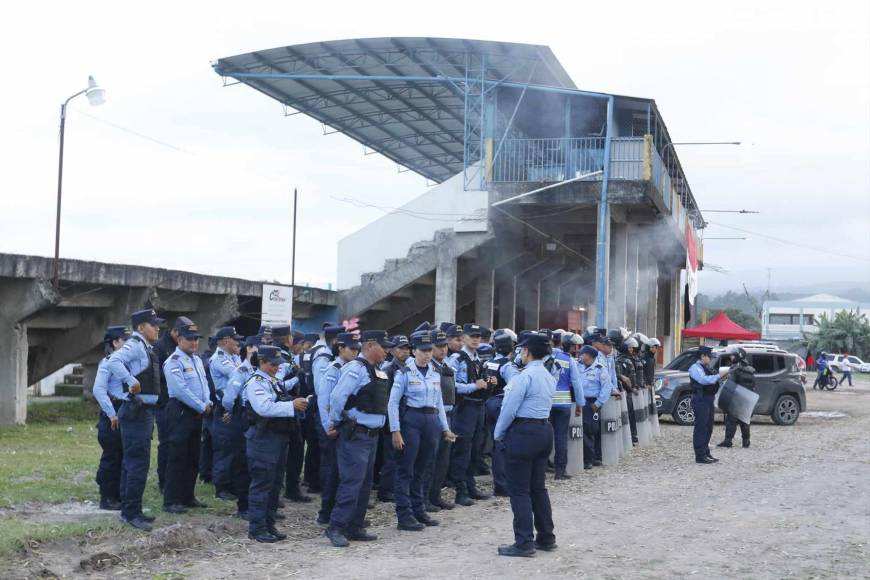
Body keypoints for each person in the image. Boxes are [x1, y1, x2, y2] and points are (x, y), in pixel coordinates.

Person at [325, 330, 395, 548]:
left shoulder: (376, 370)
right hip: (356, 434)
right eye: (384, 347)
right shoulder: (355, 369)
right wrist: (336, 422)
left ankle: (355, 526)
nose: (387, 351)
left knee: (364, 484)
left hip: (371, 436)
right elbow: (337, 397)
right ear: (371, 345)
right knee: (352, 482)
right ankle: (336, 527)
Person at [493, 332, 557, 557]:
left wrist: (498, 434)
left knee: (519, 490)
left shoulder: (523, 377)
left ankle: (524, 542)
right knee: (538, 488)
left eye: (522, 350)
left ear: (527, 352)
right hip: (544, 430)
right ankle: (546, 537)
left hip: (523, 433)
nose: (520, 353)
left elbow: (509, 409)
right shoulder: (549, 376)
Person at [389, 332, 456, 531]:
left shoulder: (435, 372)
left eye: (429, 350)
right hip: (412, 420)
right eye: (423, 350)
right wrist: (395, 430)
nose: (427, 354)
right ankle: (404, 514)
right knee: (406, 469)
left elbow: (440, 404)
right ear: (414, 351)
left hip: (431, 420)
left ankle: (419, 509)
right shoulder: (404, 372)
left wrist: (445, 428)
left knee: (423, 468)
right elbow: (392, 403)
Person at [106, 308, 165, 531]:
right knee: (137, 464)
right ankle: (131, 513)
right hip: (136, 412)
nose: (158, 327)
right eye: (153, 324)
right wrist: (130, 380)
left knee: (134, 463)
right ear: (141, 327)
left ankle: (132, 510)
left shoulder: (145, 347)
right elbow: (113, 362)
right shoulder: (135, 345)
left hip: (142, 412)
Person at [243, 345, 308, 542]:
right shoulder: (256, 383)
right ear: (261, 362)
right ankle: (257, 528)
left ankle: (269, 524)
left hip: (277, 438)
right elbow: (264, 407)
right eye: (272, 364)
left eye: (278, 365)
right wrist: (292, 405)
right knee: (262, 485)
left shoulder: (273, 380)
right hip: (263, 439)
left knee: (275, 484)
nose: (276, 368)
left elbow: (281, 391)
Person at [162, 321, 212, 513]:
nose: (194, 343)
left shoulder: (196, 360)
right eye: (189, 339)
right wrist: (201, 406)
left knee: (193, 455)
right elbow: (179, 390)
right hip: (181, 411)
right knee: (177, 456)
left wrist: (207, 401)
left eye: (196, 339)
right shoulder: (174, 361)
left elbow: (205, 383)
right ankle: (171, 500)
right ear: (179, 339)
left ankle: (187, 496)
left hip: (197, 411)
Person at [315, 331, 360, 525]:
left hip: (348, 425)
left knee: (346, 472)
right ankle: (326, 512)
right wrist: (328, 425)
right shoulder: (333, 369)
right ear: (340, 348)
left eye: (358, 349)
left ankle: (343, 513)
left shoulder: (354, 367)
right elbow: (324, 398)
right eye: (352, 349)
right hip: (335, 425)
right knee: (333, 471)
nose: (355, 353)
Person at [448, 323, 491, 506]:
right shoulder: (457, 359)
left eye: (478, 336)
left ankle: (470, 486)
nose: (475, 339)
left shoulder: (478, 358)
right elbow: (451, 385)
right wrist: (474, 386)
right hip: (464, 408)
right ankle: (461, 490)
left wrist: (489, 383)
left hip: (478, 406)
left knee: (475, 449)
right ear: (463, 337)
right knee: (462, 449)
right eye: (472, 336)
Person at [152, 316, 194, 495]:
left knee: (183, 445)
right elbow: (156, 376)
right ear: (175, 332)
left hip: (181, 406)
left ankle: (180, 483)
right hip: (164, 403)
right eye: (184, 334)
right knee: (167, 443)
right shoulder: (161, 347)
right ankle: (164, 481)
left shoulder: (186, 351)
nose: (190, 340)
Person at [93, 325, 131, 511]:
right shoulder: (107, 362)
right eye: (126, 341)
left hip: (128, 410)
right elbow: (99, 390)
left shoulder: (129, 363)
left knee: (124, 455)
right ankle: (107, 498)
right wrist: (111, 414)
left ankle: (119, 495)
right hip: (113, 412)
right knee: (112, 456)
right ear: (115, 343)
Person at [209, 326, 244, 501]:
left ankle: (233, 484)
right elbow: (237, 374)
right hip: (225, 407)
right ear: (224, 341)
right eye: (234, 339)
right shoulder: (219, 359)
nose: (238, 342)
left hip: (235, 406)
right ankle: (221, 487)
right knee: (224, 449)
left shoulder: (234, 357)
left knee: (235, 448)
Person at [482, 330, 519, 494]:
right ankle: (502, 485)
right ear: (511, 349)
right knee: (502, 445)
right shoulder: (507, 365)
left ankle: (499, 482)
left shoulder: (487, 362)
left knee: (495, 442)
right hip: (501, 403)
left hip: (488, 402)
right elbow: (514, 386)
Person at [375, 334, 411, 503]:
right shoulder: (389, 369)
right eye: (401, 348)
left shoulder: (409, 368)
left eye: (407, 348)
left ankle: (396, 488)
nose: (405, 351)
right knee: (391, 457)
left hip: (406, 417)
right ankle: (385, 490)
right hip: (392, 418)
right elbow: (386, 398)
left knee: (402, 456)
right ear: (393, 350)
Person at [425, 329, 458, 511]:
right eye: (438, 346)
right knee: (430, 459)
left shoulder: (445, 366)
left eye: (445, 345)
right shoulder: (428, 367)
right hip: (433, 417)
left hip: (448, 416)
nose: (443, 349)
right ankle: (425, 498)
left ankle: (435, 495)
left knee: (443, 460)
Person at [548, 331, 585, 479]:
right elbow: (576, 383)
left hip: (546, 403)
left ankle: (542, 467)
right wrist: (580, 404)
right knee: (561, 437)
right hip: (564, 404)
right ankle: (559, 471)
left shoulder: (543, 357)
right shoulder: (568, 359)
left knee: (544, 436)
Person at [689, 346, 730, 464]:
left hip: (708, 399)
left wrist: (725, 376)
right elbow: (703, 380)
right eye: (709, 356)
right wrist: (719, 376)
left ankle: (705, 451)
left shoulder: (707, 367)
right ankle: (700, 455)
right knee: (701, 427)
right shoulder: (694, 368)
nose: (711, 359)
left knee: (708, 427)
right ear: (702, 356)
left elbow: (717, 382)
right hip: (700, 399)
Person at [578, 344, 611, 469]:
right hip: (580, 402)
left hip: (592, 403)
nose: (580, 356)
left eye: (583, 354)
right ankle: (588, 457)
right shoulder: (579, 366)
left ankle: (590, 459)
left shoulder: (600, 368)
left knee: (590, 430)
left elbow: (606, 387)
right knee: (582, 430)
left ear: (589, 356)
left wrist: (598, 404)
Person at [718, 347, 755, 449]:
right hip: (747, 397)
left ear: (739, 356)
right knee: (745, 421)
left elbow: (730, 384)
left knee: (731, 421)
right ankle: (746, 441)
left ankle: (728, 441)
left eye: (733, 355)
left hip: (736, 397)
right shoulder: (749, 368)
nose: (731, 356)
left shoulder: (735, 368)